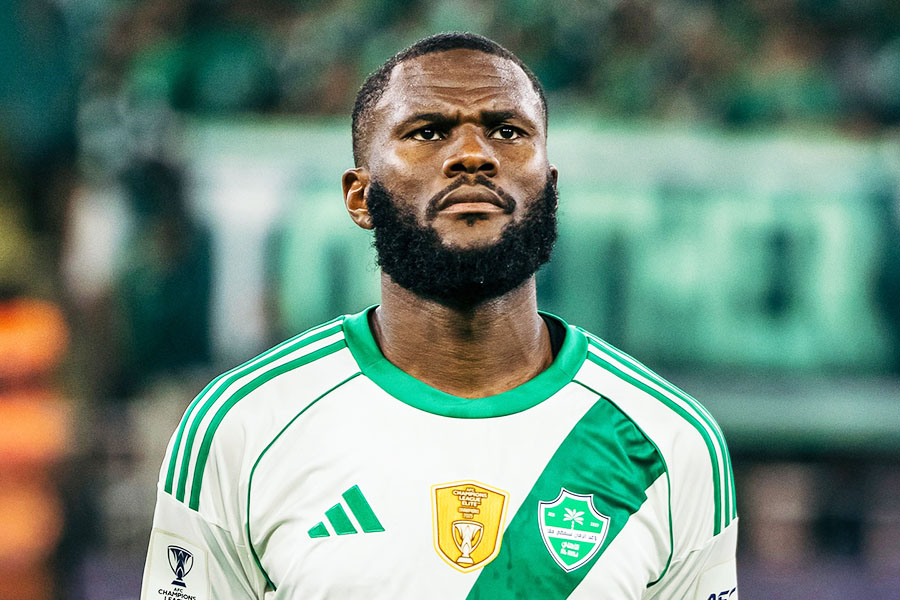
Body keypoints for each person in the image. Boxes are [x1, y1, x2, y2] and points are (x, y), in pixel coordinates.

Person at [141, 32, 737, 599]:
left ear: (549, 185)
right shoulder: (243, 424)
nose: (473, 156)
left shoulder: (668, 440)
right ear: (358, 196)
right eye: (428, 132)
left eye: (507, 131)